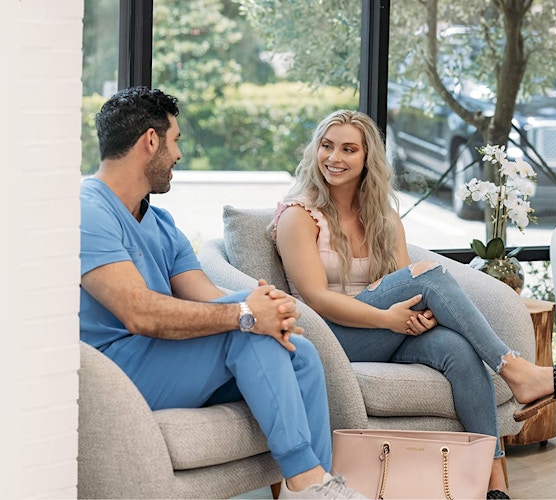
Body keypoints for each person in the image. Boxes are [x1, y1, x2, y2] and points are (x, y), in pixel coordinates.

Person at [270, 109, 556, 499]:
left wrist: (414, 318)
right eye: (327, 146)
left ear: (367, 158)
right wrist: (389, 318)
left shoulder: (383, 215)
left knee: (458, 350)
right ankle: (516, 369)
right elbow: (318, 300)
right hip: (328, 338)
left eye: (348, 149)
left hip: (382, 330)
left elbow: (405, 284)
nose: (334, 158)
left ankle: (494, 484)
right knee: (430, 275)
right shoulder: (299, 216)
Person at [80, 87, 364, 499]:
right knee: (246, 327)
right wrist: (246, 314)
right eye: (175, 140)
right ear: (151, 140)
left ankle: (313, 489)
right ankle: (307, 479)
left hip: (165, 358)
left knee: (298, 353)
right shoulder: (89, 210)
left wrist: (268, 310)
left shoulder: (159, 221)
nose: (178, 155)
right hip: (116, 371)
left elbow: (207, 296)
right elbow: (138, 313)